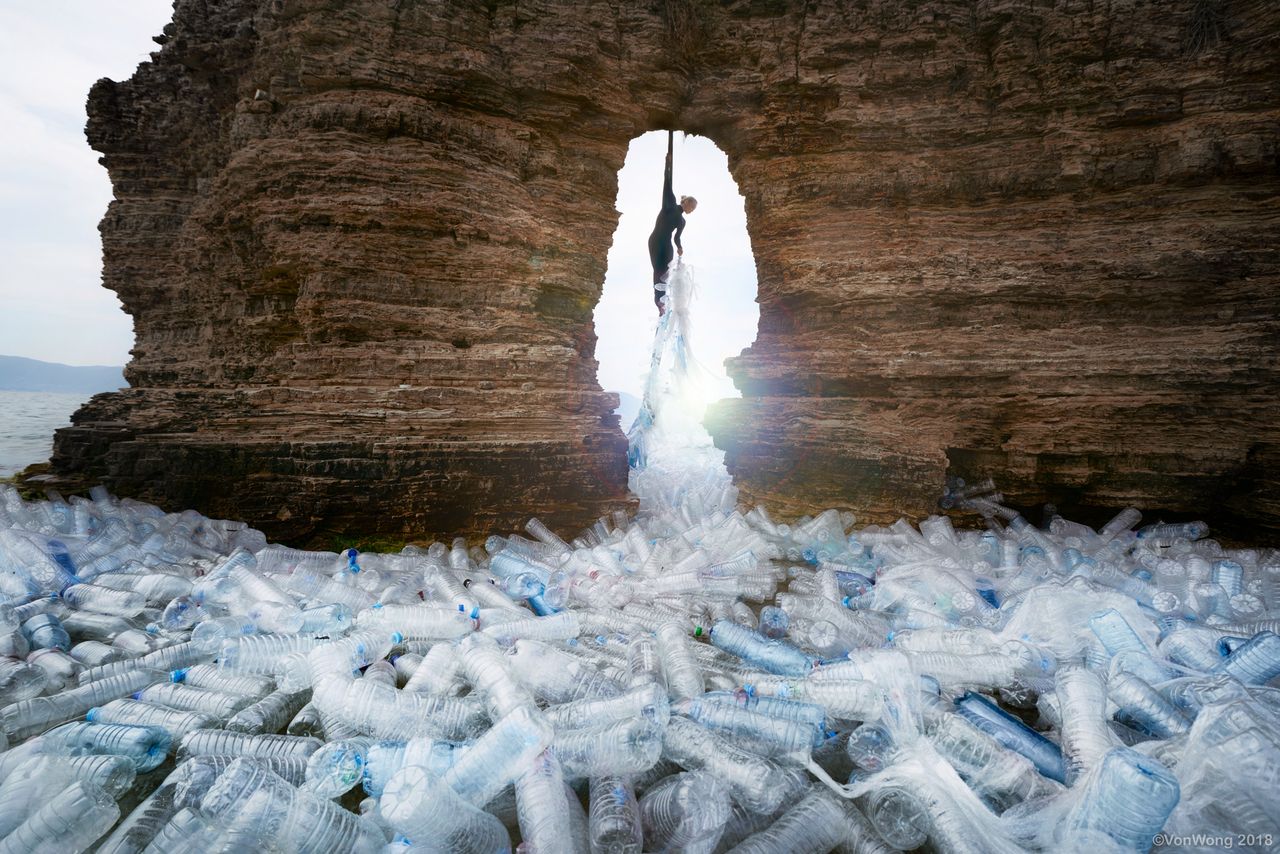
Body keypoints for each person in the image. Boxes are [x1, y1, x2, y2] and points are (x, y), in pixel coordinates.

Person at [647, 130, 697, 315]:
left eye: (693, 208)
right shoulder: (670, 204)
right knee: (657, 270)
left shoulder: (682, 221)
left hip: (667, 244)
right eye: (691, 205)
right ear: (685, 202)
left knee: (665, 274)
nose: (691, 209)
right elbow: (666, 184)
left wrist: (680, 247)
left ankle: (663, 301)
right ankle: (657, 302)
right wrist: (667, 165)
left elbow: (677, 238)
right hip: (655, 241)